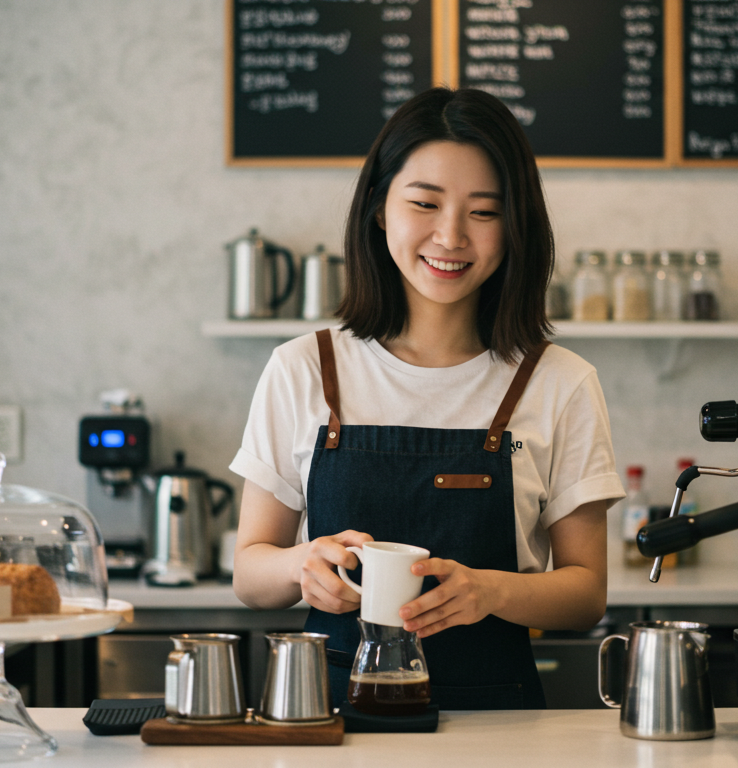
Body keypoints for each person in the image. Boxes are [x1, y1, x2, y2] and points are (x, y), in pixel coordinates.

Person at [230, 87, 623, 711]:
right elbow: (250, 575)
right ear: (382, 209)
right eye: (424, 203)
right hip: (330, 725)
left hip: (497, 732)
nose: (451, 235)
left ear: (516, 225)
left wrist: (489, 592)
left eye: (485, 212)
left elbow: (585, 595)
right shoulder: (305, 367)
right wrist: (298, 565)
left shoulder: (559, 382)